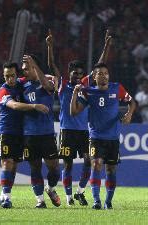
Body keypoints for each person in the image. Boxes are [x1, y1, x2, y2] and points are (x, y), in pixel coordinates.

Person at [46, 29, 112, 206]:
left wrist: (106, 46)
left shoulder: (85, 86)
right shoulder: (63, 85)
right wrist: (50, 46)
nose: (78, 76)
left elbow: (100, 65)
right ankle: (68, 198)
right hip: (67, 131)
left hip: (84, 132)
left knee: (89, 161)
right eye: (75, 73)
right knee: (67, 165)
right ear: (70, 73)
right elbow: (52, 65)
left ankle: (80, 192)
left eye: (80, 74)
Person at [70, 62, 136, 210]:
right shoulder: (88, 92)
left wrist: (129, 114)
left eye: (106, 73)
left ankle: (108, 201)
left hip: (113, 137)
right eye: (100, 74)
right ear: (94, 76)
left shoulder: (117, 88)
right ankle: (96, 201)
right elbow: (74, 112)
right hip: (96, 137)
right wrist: (74, 94)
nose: (103, 76)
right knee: (96, 164)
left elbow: (132, 102)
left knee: (111, 170)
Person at [0, 62, 49, 208]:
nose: (10, 79)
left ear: (17, 75)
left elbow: (37, 77)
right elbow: (13, 105)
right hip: (6, 132)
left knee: (13, 167)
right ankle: (6, 197)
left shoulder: (21, 83)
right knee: (8, 162)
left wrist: (53, 78)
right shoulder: (3, 90)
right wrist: (34, 106)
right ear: (4, 76)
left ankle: (3, 194)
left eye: (12, 75)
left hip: (21, 132)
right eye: (7, 76)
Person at [20, 55, 60, 208]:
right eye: (22, 69)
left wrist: (34, 63)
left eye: (26, 68)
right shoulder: (21, 85)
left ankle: (50, 189)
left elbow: (50, 87)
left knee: (54, 168)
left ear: (34, 68)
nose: (23, 72)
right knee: (35, 167)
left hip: (47, 134)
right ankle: (40, 200)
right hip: (29, 134)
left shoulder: (46, 81)